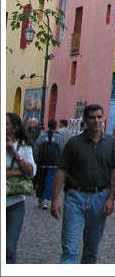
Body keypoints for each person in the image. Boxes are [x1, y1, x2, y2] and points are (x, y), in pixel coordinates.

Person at [50, 103, 115, 264]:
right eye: (92, 118)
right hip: (75, 196)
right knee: (69, 248)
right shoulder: (74, 143)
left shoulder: (111, 143)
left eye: (99, 117)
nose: (96, 121)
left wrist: (111, 198)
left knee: (91, 250)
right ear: (85, 121)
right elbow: (61, 170)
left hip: (100, 197)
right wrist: (54, 199)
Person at [6, 113, 37, 264]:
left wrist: (14, 152)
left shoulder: (24, 146)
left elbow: (31, 172)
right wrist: (18, 172)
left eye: (6, 124)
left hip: (14, 203)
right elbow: (24, 171)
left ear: (15, 127)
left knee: (9, 249)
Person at [34, 118, 65, 209]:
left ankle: (40, 198)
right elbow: (62, 150)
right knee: (50, 182)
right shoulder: (59, 137)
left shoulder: (42, 136)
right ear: (55, 126)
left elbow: (36, 148)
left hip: (42, 163)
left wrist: (36, 160)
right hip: (54, 163)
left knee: (41, 180)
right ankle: (46, 200)